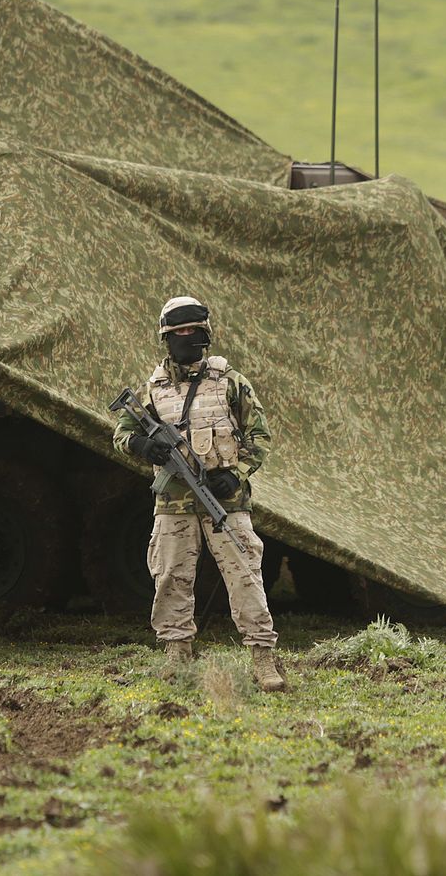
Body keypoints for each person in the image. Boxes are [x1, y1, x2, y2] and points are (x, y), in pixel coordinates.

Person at [112, 296, 286, 692]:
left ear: (205, 334)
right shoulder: (153, 389)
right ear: (166, 338)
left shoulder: (230, 382)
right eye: (178, 334)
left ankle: (263, 658)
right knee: (170, 575)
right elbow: (122, 432)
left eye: (193, 332)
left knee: (244, 575)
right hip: (172, 501)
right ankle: (177, 652)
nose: (186, 339)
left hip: (224, 500)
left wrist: (236, 473)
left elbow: (260, 437)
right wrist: (142, 446)